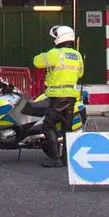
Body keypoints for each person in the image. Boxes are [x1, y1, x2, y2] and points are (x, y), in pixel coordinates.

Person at [31, 24, 84, 168]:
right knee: (67, 128)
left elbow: (36, 62)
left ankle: (55, 158)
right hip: (71, 96)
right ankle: (66, 158)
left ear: (59, 37)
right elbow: (80, 73)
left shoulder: (56, 53)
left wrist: (46, 54)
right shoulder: (77, 55)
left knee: (48, 126)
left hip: (57, 96)